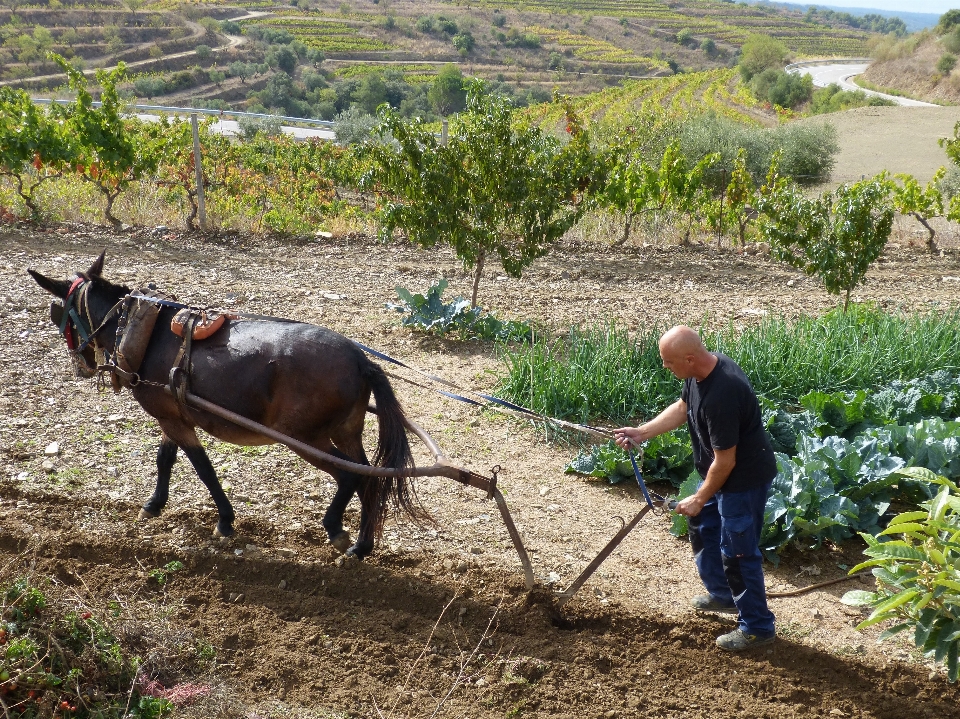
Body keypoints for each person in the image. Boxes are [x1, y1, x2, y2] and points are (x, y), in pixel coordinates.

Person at [614, 325, 777, 652]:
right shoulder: (700, 372)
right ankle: (723, 595)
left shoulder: (723, 394)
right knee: (703, 526)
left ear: (689, 358)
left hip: (741, 483)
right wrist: (642, 432)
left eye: (669, 362)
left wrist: (700, 496)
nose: (665, 367)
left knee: (738, 553)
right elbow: (683, 406)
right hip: (720, 475)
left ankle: (757, 628)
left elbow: (726, 462)